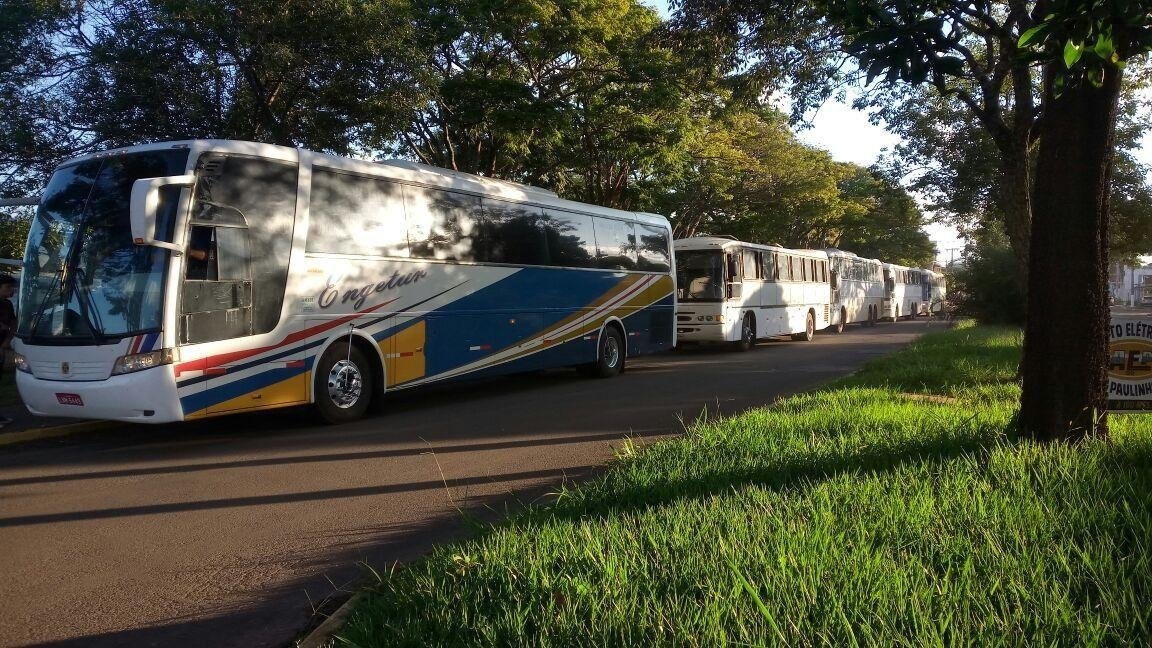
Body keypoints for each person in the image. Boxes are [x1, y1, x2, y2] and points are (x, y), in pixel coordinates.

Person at [0, 274, 17, 428]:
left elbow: (13, 323)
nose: (11, 290)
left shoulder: (7, 305)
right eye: (7, 287)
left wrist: (7, 340)